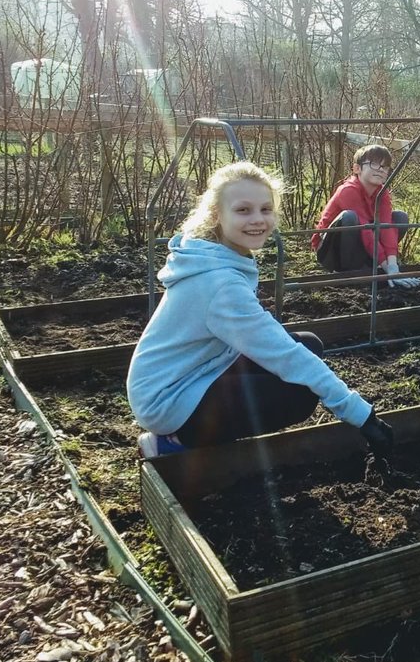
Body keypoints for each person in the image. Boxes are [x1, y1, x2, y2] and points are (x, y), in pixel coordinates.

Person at [127, 161, 395, 459]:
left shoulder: (216, 253)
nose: (258, 220)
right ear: (217, 214)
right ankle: (173, 442)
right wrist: (362, 416)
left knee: (308, 345)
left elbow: (277, 346)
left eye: (266, 210)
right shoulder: (220, 284)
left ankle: (192, 430)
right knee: (300, 393)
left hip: (187, 371)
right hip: (166, 399)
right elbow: (283, 354)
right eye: (243, 210)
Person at [311, 144, 420, 288]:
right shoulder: (348, 190)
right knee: (350, 217)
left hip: (361, 244)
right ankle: (346, 272)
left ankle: (368, 266)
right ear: (357, 168)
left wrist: (393, 266)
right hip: (330, 252)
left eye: (385, 166)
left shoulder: (382, 193)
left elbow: (386, 228)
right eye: (374, 164)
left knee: (400, 218)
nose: (380, 169)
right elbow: (365, 229)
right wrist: (386, 265)